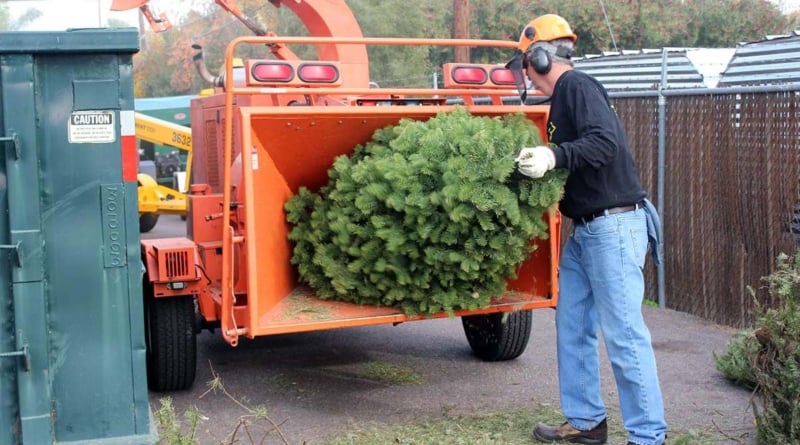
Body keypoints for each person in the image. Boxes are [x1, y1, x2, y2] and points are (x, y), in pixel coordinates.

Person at [506, 14, 668, 445]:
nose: (524, 74)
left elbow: (603, 143)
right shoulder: (562, 97)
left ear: (540, 58)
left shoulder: (577, 87)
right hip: (587, 231)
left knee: (624, 336)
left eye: (525, 63)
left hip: (613, 227)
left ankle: (648, 437)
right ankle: (585, 423)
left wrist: (553, 157)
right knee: (574, 325)